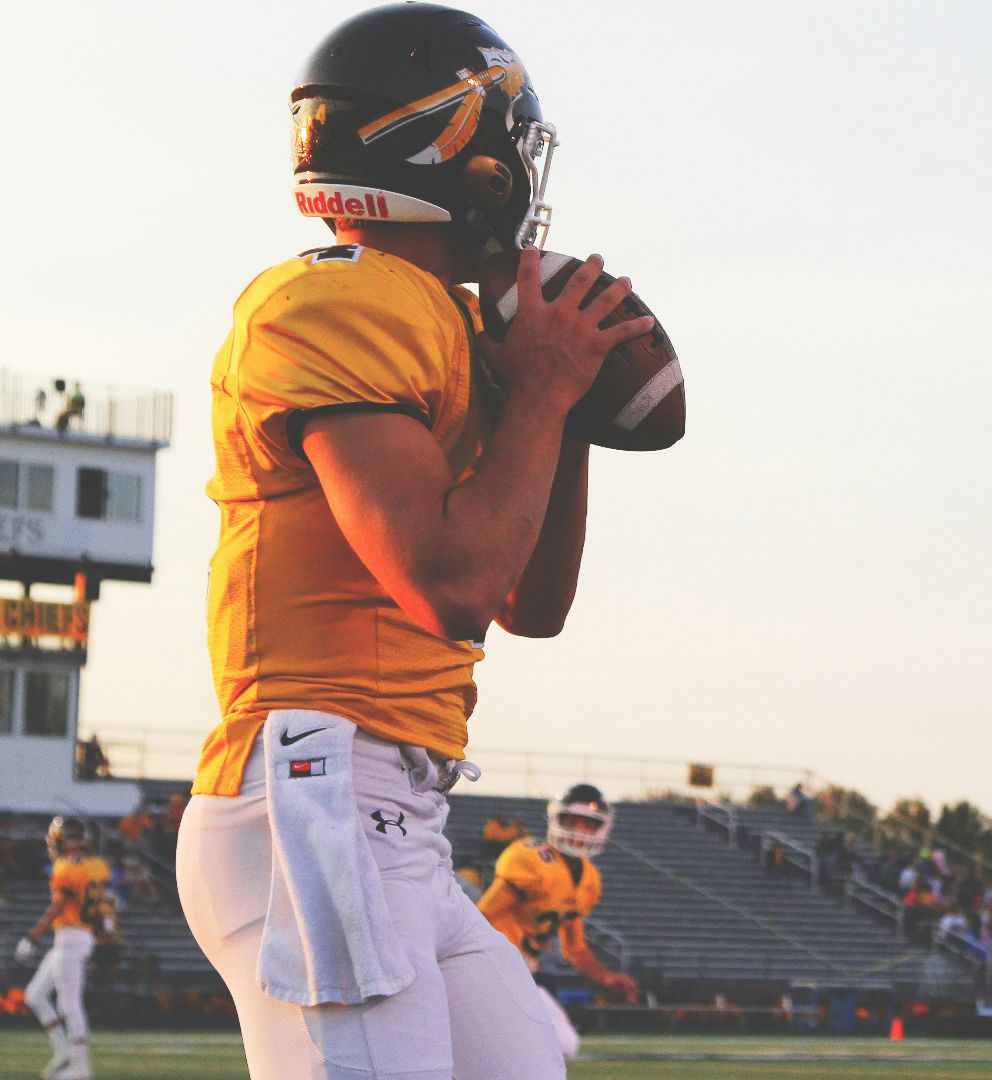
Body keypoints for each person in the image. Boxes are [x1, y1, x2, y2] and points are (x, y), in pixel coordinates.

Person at [173, 6, 657, 1079]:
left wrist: (562, 412)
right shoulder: (337, 298)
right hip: (317, 788)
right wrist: (539, 391)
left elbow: (528, 602)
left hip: (395, 809)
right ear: (460, 149)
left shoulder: (439, 320)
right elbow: (448, 582)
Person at [477, 784, 640, 1060]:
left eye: (588, 823)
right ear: (556, 819)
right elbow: (482, 915)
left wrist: (606, 977)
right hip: (491, 966)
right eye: (571, 821)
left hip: (522, 973)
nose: (578, 829)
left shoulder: (588, 879)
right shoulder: (532, 859)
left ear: (601, 828)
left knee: (564, 1044)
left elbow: (574, 949)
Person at [14, 818, 111, 1079]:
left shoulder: (66, 868)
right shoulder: (98, 866)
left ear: (62, 840)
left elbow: (57, 906)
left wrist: (33, 936)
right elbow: (103, 905)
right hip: (78, 936)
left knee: (69, 1003)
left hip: (71, 936)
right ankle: (63, 1051)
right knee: (34, 994)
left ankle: (81, 1068)